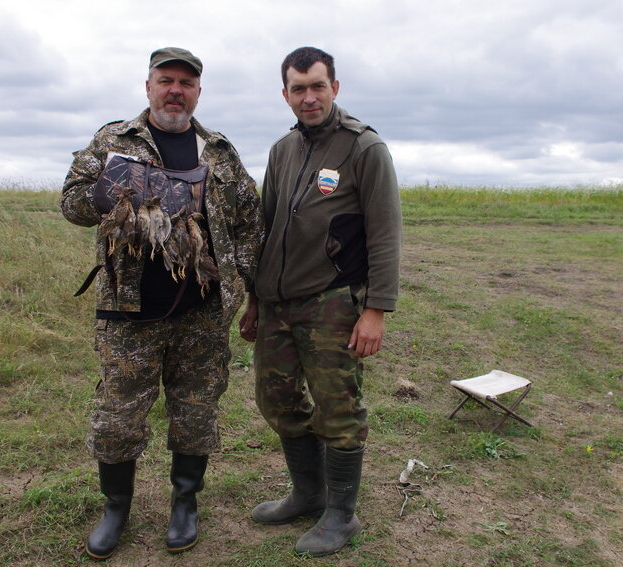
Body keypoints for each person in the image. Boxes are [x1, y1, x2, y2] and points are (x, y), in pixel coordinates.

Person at [60, 47, 263, 560]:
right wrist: (124, 189)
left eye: (186, 83)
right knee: (117, 416)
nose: (176, 90)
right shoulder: (113, 141)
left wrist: (244, 287)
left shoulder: (217, 151)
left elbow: (248, 222)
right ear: (148, 86)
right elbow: (73, 203)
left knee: (196, 412)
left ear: (198, 92)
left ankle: (184, 504)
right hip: (130, 313)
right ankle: (116, 508)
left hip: (202, 314)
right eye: (166, 80)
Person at [239, 46, 402, 557]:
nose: (308, 97)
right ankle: (308, 494)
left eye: (317, 86)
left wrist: (375, 309)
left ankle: (341, 514)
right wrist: (253, 299)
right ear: (284, 94)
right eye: (298, 88)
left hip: (331, 302)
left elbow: (384, 233)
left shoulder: (364, 148)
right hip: (276, 303)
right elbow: (265, 228)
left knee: (338, 408)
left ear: (335, 87)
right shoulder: (282, 150)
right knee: (277, 401)